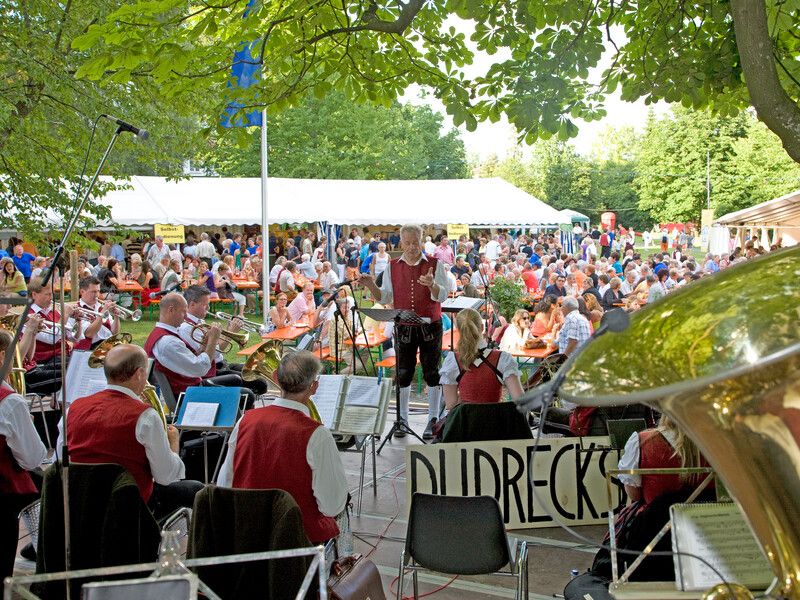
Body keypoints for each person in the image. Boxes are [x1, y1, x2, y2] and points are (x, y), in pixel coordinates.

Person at [217, 351, 348, 545]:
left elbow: (225, 483)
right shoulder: (318, 434)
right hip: (297, 540)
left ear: (275, 378)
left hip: (247, 534)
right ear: (314, 387)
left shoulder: (246, 420)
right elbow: (332, 505)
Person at [61, 344, 201, 518]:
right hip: (129, 510)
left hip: (80, 505)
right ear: (140, 373)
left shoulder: (72, 409)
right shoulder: (146, 416)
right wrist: (173, 444)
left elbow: (59, 459)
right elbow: (165, 477)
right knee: (197, 490)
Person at [359, 224, 447, 439]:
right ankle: (402, 419)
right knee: (403, 373)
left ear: (422, 240)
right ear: (401, 242)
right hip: (405, 326)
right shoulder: (391, 266)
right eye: (407, 242)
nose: (411, 247)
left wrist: (432, 285)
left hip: (430, 326)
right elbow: (386, 298)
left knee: (431, 373)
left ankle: (433, 420)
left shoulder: (436, 264)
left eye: (415, 242)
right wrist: (371, 286)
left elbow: (442, 295)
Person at [0, 329, 47, 580]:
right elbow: (32, 458)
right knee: (46, 481)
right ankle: (44, 548)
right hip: (3, 495)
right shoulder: (9, 402)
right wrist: (25, 423)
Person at [179, 285, 267, 395]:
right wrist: (232, 333)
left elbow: (215, 346)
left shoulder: (199, 322)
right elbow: (214, 353)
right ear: (192, 304)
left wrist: (227, 331)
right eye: (206, 305)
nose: (209, 308)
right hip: (211, 371)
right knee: (260, 383)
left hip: (219, 364)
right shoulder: (187, 328)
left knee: (257, 372)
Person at [440, 308, 523, 411]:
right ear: (482, 327)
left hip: (464, 425)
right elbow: (520, 400)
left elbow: (451, 405)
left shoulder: (453, 360)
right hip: (494, 424)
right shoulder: (503, 358)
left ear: (458, 329)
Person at [143, 293, 223, 398]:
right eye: (183, 312)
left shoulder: (160, 334)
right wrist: (213, 340)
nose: (186, 316)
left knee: (236, 379)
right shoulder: (168, 341)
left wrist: (204, 345)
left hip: (187, 388)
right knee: (245, 392)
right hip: (188, 394)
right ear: (171, 310)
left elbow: (189, 360)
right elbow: (201, 368)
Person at [69, 276, 121, 350]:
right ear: (82, 292)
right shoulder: (76, 309)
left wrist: (116, 316)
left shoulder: (101, 306)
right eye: (93, 291)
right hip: (91, 347)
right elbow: (89, 334)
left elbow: (114, 333)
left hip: (109, 343)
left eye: (98, 291)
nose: (97, 294)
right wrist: (103, 312)